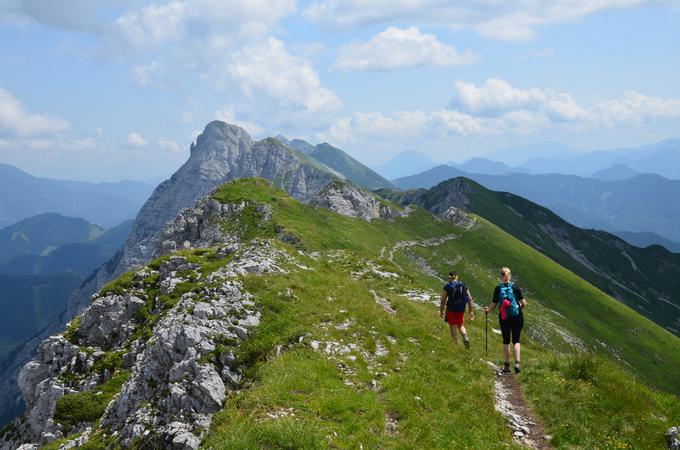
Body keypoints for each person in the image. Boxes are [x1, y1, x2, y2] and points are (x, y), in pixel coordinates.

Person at [485, 267, 527, 374]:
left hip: (504, 318)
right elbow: (524, 303)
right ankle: (517, 363)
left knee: (506, 340)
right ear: (510, 276)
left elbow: (493, 305)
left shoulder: (498, 289)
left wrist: (487, 311)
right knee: (516, 340)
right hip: (517, 316)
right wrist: (519, 308)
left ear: (501, 276)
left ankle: (507, 366)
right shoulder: (515, 287)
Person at [439, 270, 475, 348]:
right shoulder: (463, 286)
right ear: (456, 277)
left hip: (451, 309)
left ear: (449, 278)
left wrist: (441, 311)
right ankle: (465, 336)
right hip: (461, 309)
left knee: (453, 326)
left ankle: (455, 345)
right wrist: (471, 311)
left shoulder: (447, 286)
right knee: (460, 325)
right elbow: (470, 299)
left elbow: (443, 300)